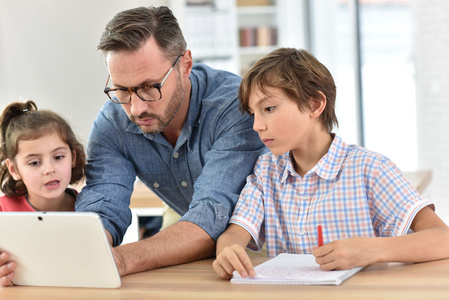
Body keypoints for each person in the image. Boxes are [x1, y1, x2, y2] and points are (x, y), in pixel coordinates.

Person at [212, 48, 449, 280]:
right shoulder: (266, 171)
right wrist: (228, 251)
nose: (257, 125)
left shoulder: (371, 169)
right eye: (253, 113)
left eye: (269, 108)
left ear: (315, 104)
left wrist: (371, 250)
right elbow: (235, 233)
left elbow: (442, 238)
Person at [73, 5, 264, 276]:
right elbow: (103, 204)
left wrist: (121, 260)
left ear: (185, 65)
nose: (136, 109)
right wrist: (89, 249)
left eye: (150, 87)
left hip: (259, 236)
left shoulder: (234, 108)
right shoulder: (113, 121)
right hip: (185, 219)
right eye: (122, 90)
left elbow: (213, 217)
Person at [0, 100, 86, 285]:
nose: (49, 169)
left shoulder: (90, 210)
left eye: (58, 157)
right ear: (14, 169)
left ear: (73, 157)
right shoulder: (2, 210)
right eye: (34, 162)